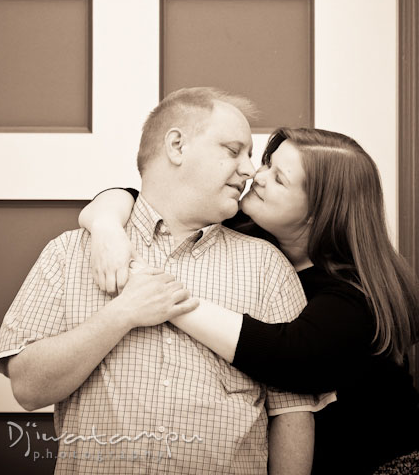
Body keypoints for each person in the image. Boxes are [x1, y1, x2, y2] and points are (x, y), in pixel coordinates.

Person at [0, 88, 332, 475]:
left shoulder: (267, 266)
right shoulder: (70, 252)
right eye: (233, 150)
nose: (250, 170)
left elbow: (292, 412)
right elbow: (28, 389)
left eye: (250, 156)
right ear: (176, 146)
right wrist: (122, 314)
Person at [79, 126, 419, 475]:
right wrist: (107, 226)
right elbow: (140, 197)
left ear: (319, 211)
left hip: (382, 465)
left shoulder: (353, 295)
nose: (257, 176)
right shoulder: (244, 228)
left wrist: (155, 294)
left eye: (279, 178)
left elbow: (288, 357)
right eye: (267, 162)